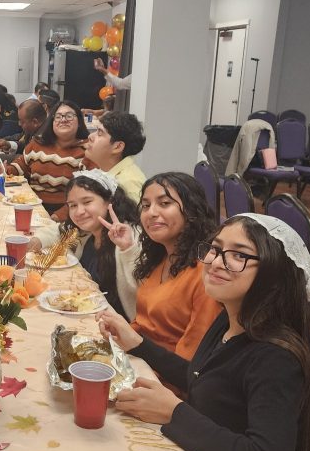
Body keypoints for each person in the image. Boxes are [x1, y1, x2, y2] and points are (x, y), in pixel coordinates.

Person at [99, 214, 310, 451]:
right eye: (215, 249)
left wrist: (174, 412)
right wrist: (140, 345)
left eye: (238, 255)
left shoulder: (275, 359)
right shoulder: (231, 320)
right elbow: (204, 378)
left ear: (274, 273)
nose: (216, 262)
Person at [127, 173, 220, 361]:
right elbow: (144, 323)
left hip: (167, 372)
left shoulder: (207, 271)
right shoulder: (160, 256)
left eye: (164, 203)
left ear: (192, 210)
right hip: (139, 357)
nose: (151, 213)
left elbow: (191, 357)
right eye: (146, 205)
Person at [60, 170, 141, 319]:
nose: (79, 212)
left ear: (109, 201)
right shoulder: (87, 233)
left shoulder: (129, 237)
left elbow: (143, 290)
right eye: (73, 205)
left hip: (120, 324)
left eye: (87, 202)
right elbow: (56, 229)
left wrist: (128, 249)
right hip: (89, 313)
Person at [8, 100, 89, 222]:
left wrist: (58, 216)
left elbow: (86, 195)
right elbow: (21, 165)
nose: (63, 120)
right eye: (58, 116)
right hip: (31, 207)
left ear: (79, 122)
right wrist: (6, 169)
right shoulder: (38, 143)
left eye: (69, 116)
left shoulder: (87, 151)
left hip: (64, 216)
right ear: (52, 121)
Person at [84, 111, 148, 203]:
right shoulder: (105, 171)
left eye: (100, 133)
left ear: (117, 147)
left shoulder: (128, 183)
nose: (90, 136)